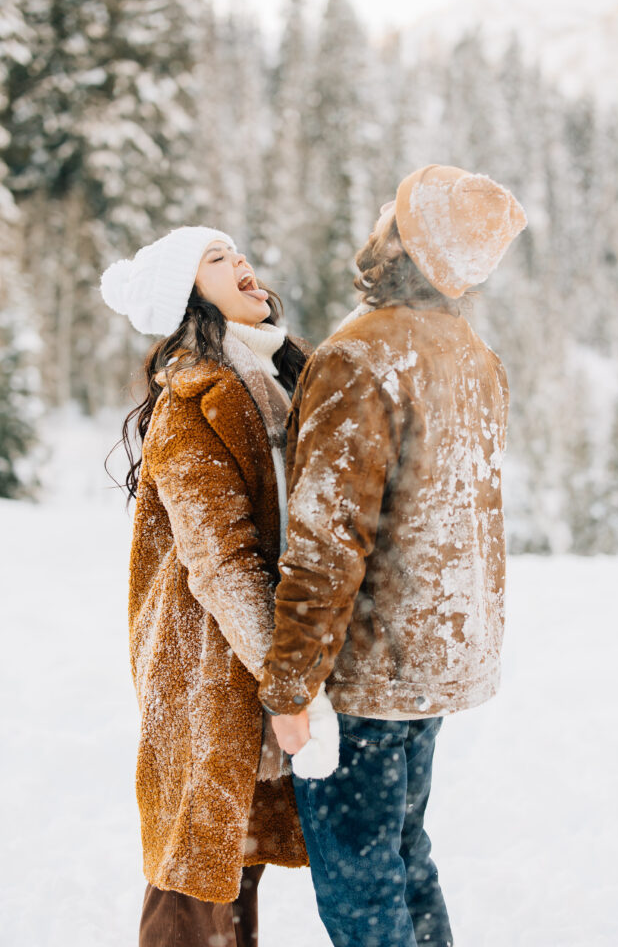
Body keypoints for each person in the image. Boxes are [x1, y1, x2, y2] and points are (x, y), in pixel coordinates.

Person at [258, 165, 527, 947]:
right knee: (405, 858)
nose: (377, 220)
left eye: (393, 215)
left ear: (403, 244)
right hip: (433, 660)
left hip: (364, 673)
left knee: (360, 884)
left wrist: (288, 687)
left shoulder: (360, 356)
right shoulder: (472, 354)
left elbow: (326, 538)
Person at [100, 225, 311, 947]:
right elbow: (219, 562)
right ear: (188, 295)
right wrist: (287, 680)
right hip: (204, 665)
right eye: (217, 260)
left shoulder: (284, 373)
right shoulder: (193, 399)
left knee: (238, 859)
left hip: (260, 652)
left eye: (240, 252)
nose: (243, 263)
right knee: (195, 873)